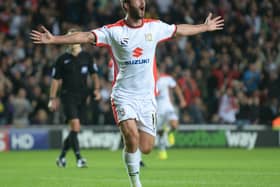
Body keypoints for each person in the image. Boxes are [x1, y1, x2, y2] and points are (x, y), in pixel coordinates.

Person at [30, 0, 224, 186]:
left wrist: (204, 27)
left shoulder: (154, 27)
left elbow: (178, 29)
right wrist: (54, 39)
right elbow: (87, 36)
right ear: (126, 5)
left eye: (143, 0)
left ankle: (135, 154)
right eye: (136, 0)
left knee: (146, 147)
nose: (142, 3)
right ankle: (135, 183)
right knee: (131, 136)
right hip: (123, 96)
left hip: (147, 98)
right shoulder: (114, 31)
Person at [48, 29, 101, 168]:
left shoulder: (86, 57)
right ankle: (79, 159)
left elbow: (94, 75)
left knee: (75, 130)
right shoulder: (62, 59)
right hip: (68, 96)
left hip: (83, 97)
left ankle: (61, 157)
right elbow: (55, 80)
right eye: (69, 37)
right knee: (75, 127)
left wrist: (96, 90)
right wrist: (52, 98)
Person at [156, 67, 186, 160]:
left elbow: (176, 87)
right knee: (159, 131)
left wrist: (182, 100)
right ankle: (162, 150)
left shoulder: (167, 78)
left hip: (168, 106)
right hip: (156, 108)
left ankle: (169, 132)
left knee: (174, 124)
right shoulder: (148, 79)